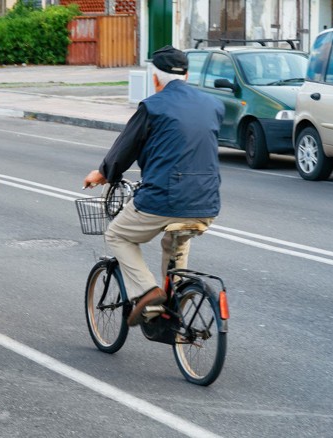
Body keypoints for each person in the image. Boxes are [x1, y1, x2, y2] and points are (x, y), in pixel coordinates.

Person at [83, 45, 225, 327]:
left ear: (155, 78)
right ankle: (175, 302)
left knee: (117, 236)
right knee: (176, 239)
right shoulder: (213, 105)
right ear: (186, 75)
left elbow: (126, 148)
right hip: (207, 201)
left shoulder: (153, 107)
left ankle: (148, 291)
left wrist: (103, 173)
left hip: (163, 198)